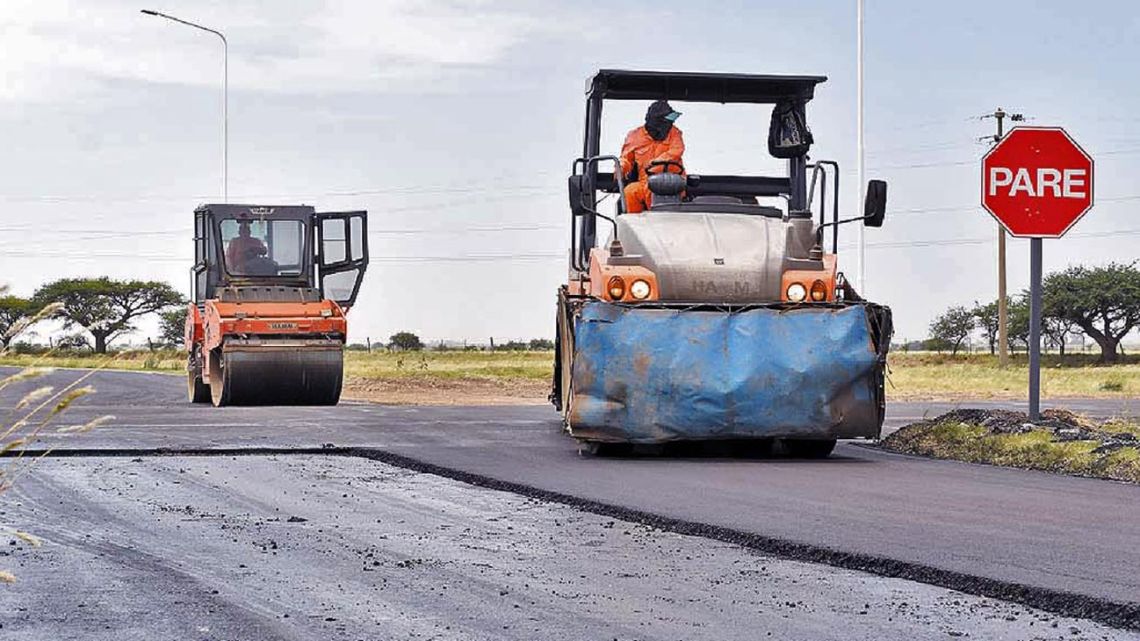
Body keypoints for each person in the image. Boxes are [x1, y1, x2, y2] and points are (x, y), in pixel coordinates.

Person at [618, 100, 685, 213]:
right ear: (657, 121)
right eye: (667, 120)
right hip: (645, 182)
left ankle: (660, 220)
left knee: (656, 191)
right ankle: (634, 225)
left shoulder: (675, 133)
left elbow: (677, 150)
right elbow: (626, 159)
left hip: (674, 183)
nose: (670, 124)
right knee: (629, 192)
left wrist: (656, 163)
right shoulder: (634, 136)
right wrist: (620, 168)